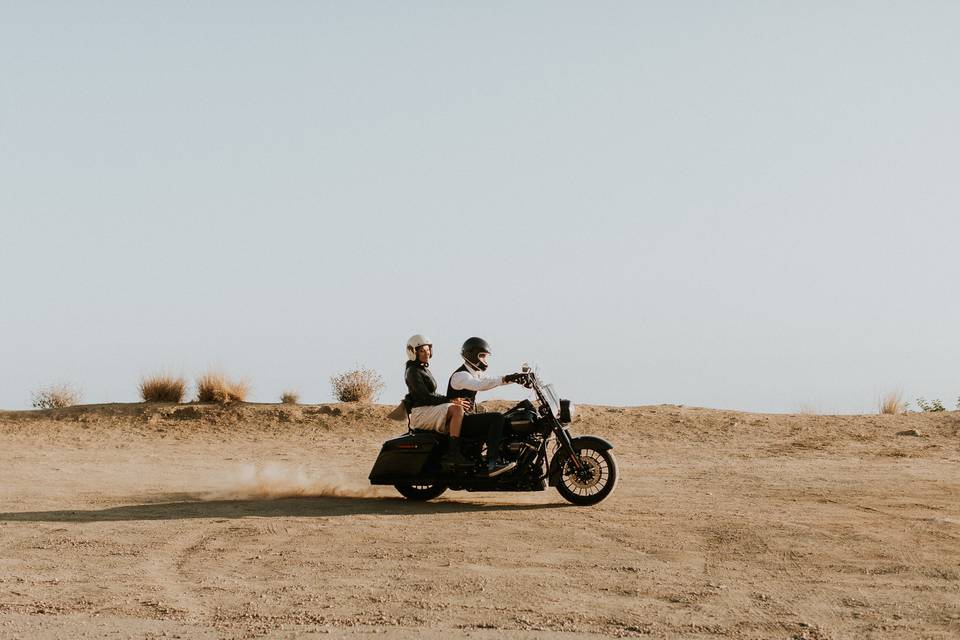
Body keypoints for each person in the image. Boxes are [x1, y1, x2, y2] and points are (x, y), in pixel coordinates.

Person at [404, 334, 511, 475]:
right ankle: (476, 458)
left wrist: (511, 378)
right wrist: (451, 401)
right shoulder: (414, 371)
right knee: (467, 411)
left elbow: (487, 379)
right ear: (413, 352)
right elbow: (425, 397)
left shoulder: (422, 369)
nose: (427, 353)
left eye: (428, 349)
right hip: (422, 412)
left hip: (430, 409)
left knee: (490, 414)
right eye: (422, 350)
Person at [447, 337, 527, 477]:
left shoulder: (475, 373)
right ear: (472, 354)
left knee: (507, 418)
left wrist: (514, 378)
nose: (485, 360)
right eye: (482, 356)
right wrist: (508, 378)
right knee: (496, 418)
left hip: (467, 418)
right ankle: (492, 463)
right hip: (460, 422)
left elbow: (489, 379)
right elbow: (480, 385)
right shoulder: (460, 375)